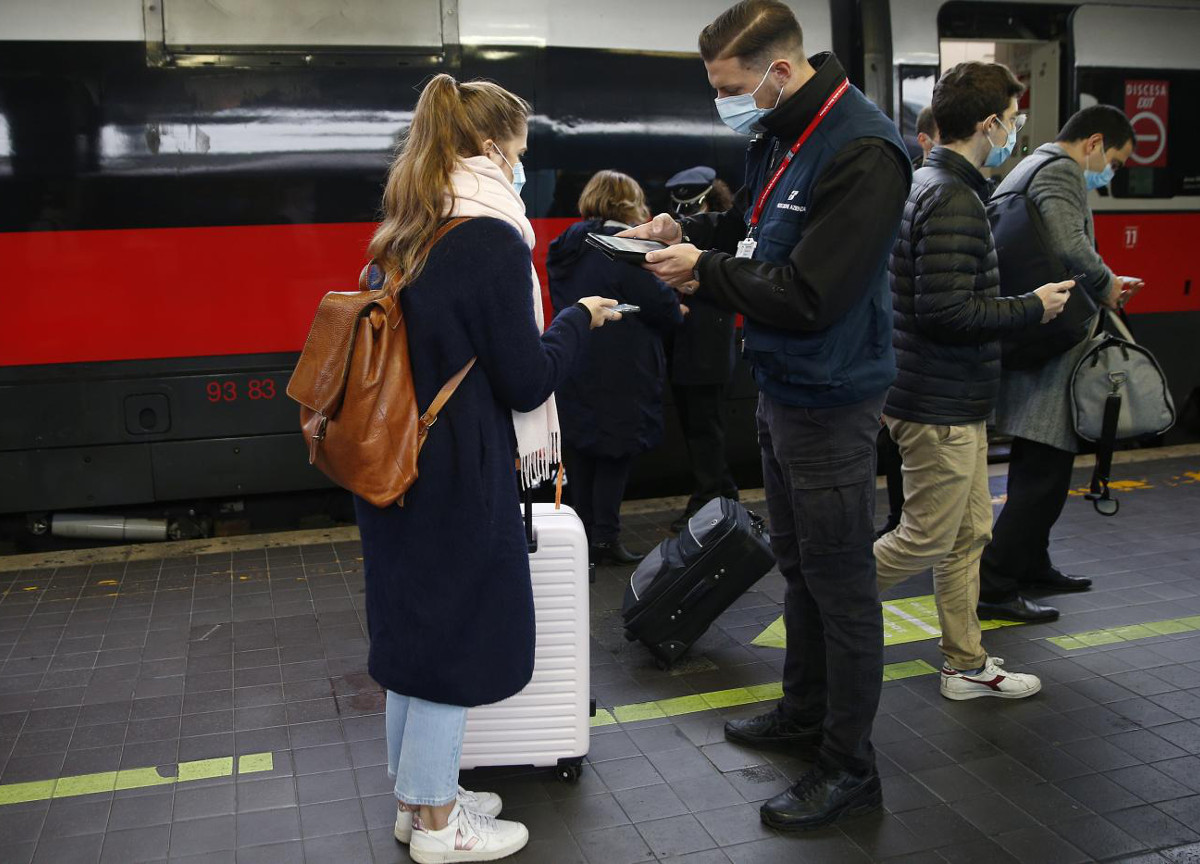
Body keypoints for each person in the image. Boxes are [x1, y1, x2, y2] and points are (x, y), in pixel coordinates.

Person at [623, 0, 911, 831]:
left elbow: (811, 294)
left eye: (731, 87)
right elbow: (757, 232)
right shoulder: (780, 133)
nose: (727, 102)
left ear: (779, 73)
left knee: (842, 586)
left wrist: (700, 271)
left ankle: (848, 766)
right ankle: (803, 712)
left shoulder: (862, 149)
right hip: (783, 390)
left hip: (830, 398)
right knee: (799, 569)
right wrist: (688, 230)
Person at [353, 73, 619, 864]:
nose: (520, 169)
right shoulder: (491, 238)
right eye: (520, 152)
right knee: (453, 640)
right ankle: (439, 827)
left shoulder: (410, 226)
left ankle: (417, 800)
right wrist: (579, 318)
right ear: (491, 146)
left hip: (395, 464)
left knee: (413, 637)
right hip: (455, 474)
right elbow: (527, 379)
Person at [873, 61, 1073, 703]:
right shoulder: (954, 196)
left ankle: (965, 665)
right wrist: (1031, 306)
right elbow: (946, 312)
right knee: (927, 535)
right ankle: (824, 606)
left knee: (967, 536)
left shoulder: (928, 181)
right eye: (1012, 119)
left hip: (945, 395)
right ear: (989, 123)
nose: (1015, 129)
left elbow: (940, 296)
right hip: (940, 401)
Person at [978, 105, 1142, 623]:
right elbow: (1072, 247)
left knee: (1041, 463)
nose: (1109, 171)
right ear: (1093, 143)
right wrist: (1110, 285)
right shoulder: (1062, 171)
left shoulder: (1029, 166)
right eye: (1113, 160)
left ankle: (1032, 563)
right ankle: (996, 583)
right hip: (1053, 343)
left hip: (1039, 337)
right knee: (1042, 474)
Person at [547, 170, 684, 565]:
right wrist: (676, 307)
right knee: (615, 453)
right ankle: (605, 539)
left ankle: (584, 535)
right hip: (621, 368)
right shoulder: (624, 249)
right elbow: (661, 308)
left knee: (584, 451)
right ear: (629, 204)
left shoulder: (567, 246)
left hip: (574, 359)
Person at [663, 165, 740, 532]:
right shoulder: (692, 232)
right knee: (698, 424)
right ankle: (723, 493)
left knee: (705, 427)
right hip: (687, 346)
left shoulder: (723, 235)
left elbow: (729, 280)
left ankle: (708, 498)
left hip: (708, 344)